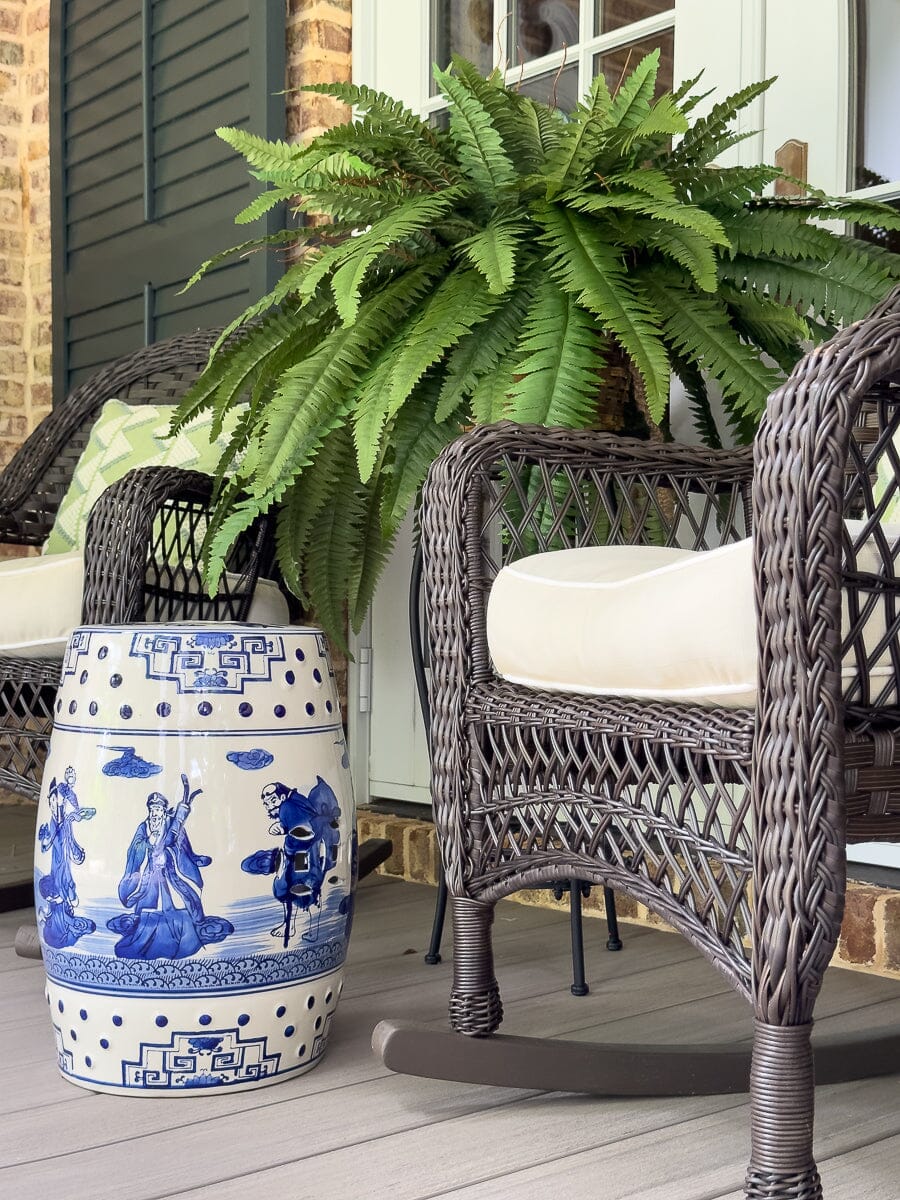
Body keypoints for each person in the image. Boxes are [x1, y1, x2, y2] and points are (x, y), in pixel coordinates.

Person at [107, 774, 233, 959]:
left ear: (164, 811)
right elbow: (135, 848)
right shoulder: (144, 827)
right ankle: (148, 939)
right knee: (149, 907)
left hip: (169, 873)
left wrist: (172, 855)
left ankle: (181, 936)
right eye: (152, 809)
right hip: (150, 876)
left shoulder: (171, 825)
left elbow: (181, 845)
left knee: (180, 902)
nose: (155, 813)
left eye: (158, 809)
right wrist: (148, 843)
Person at [241, 776, 341, 947]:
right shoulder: (292, 804)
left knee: (305, 890)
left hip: (306, 857)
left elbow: (305, 832)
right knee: (295, 889)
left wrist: (284, 834)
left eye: (272, 801)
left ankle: (311, 929)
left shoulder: (287, 807)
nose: (269, 805)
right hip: (302, 856)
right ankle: (297, 926)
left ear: (281, 797)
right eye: (266, 803)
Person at [37, 767, 96, 948]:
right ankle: (55, 924)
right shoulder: (53, 823)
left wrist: (77, 853)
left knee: (66, 889)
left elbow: (71, 838)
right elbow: (46, 845)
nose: (55, 804)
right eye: (53, 800)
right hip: (57, 864)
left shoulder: (66, 821)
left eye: (58, 800)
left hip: (65, 864)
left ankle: (61, 922)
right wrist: (44, 838)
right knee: (58, 890)